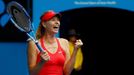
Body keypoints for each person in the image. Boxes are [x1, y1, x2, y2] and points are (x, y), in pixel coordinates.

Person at [27, 10, 83, 75]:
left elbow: (67, 72)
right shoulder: (33, 44)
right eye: (53, 20)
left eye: (58, 20)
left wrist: (75, 50)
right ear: (44, 24)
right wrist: (41, 62)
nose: (57, 22)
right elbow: (32, 73)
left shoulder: (64, 42)